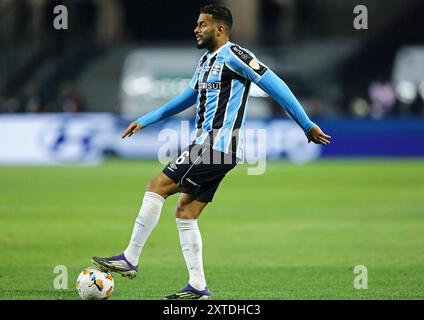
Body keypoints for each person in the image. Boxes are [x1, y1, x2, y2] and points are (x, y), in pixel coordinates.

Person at [92, 4, 331, 300]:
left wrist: (306, 124)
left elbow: (275, 85)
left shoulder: (236, 56)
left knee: (156, 186)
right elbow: (184, 99)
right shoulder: (206, 62)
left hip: (216, 147)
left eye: (202, 24)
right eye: (196, 24)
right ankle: (198, 287)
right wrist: (145, 119)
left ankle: (130, 257)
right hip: (210, 147)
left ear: (220, 29)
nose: (196, 29)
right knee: (186, 212)